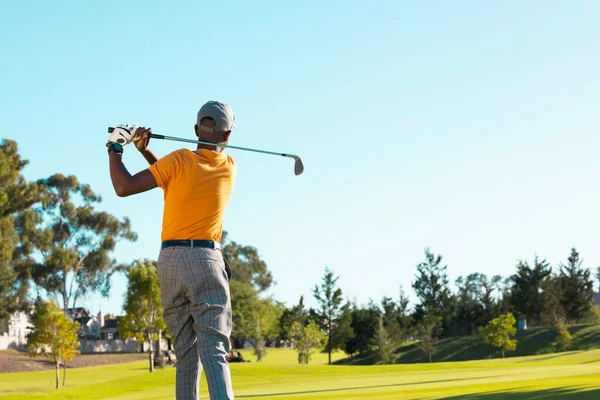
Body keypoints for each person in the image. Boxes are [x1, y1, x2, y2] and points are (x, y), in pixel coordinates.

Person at [106, 101, 237, 400]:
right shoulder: (229, 167)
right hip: (204, 259)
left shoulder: (177, 162)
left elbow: (124, 186)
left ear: (194, 130)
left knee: (186, 354)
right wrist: (145, 151)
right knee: (214, 350)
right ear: (228, 136)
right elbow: (172, 174)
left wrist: (116, 147)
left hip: (169, 262)